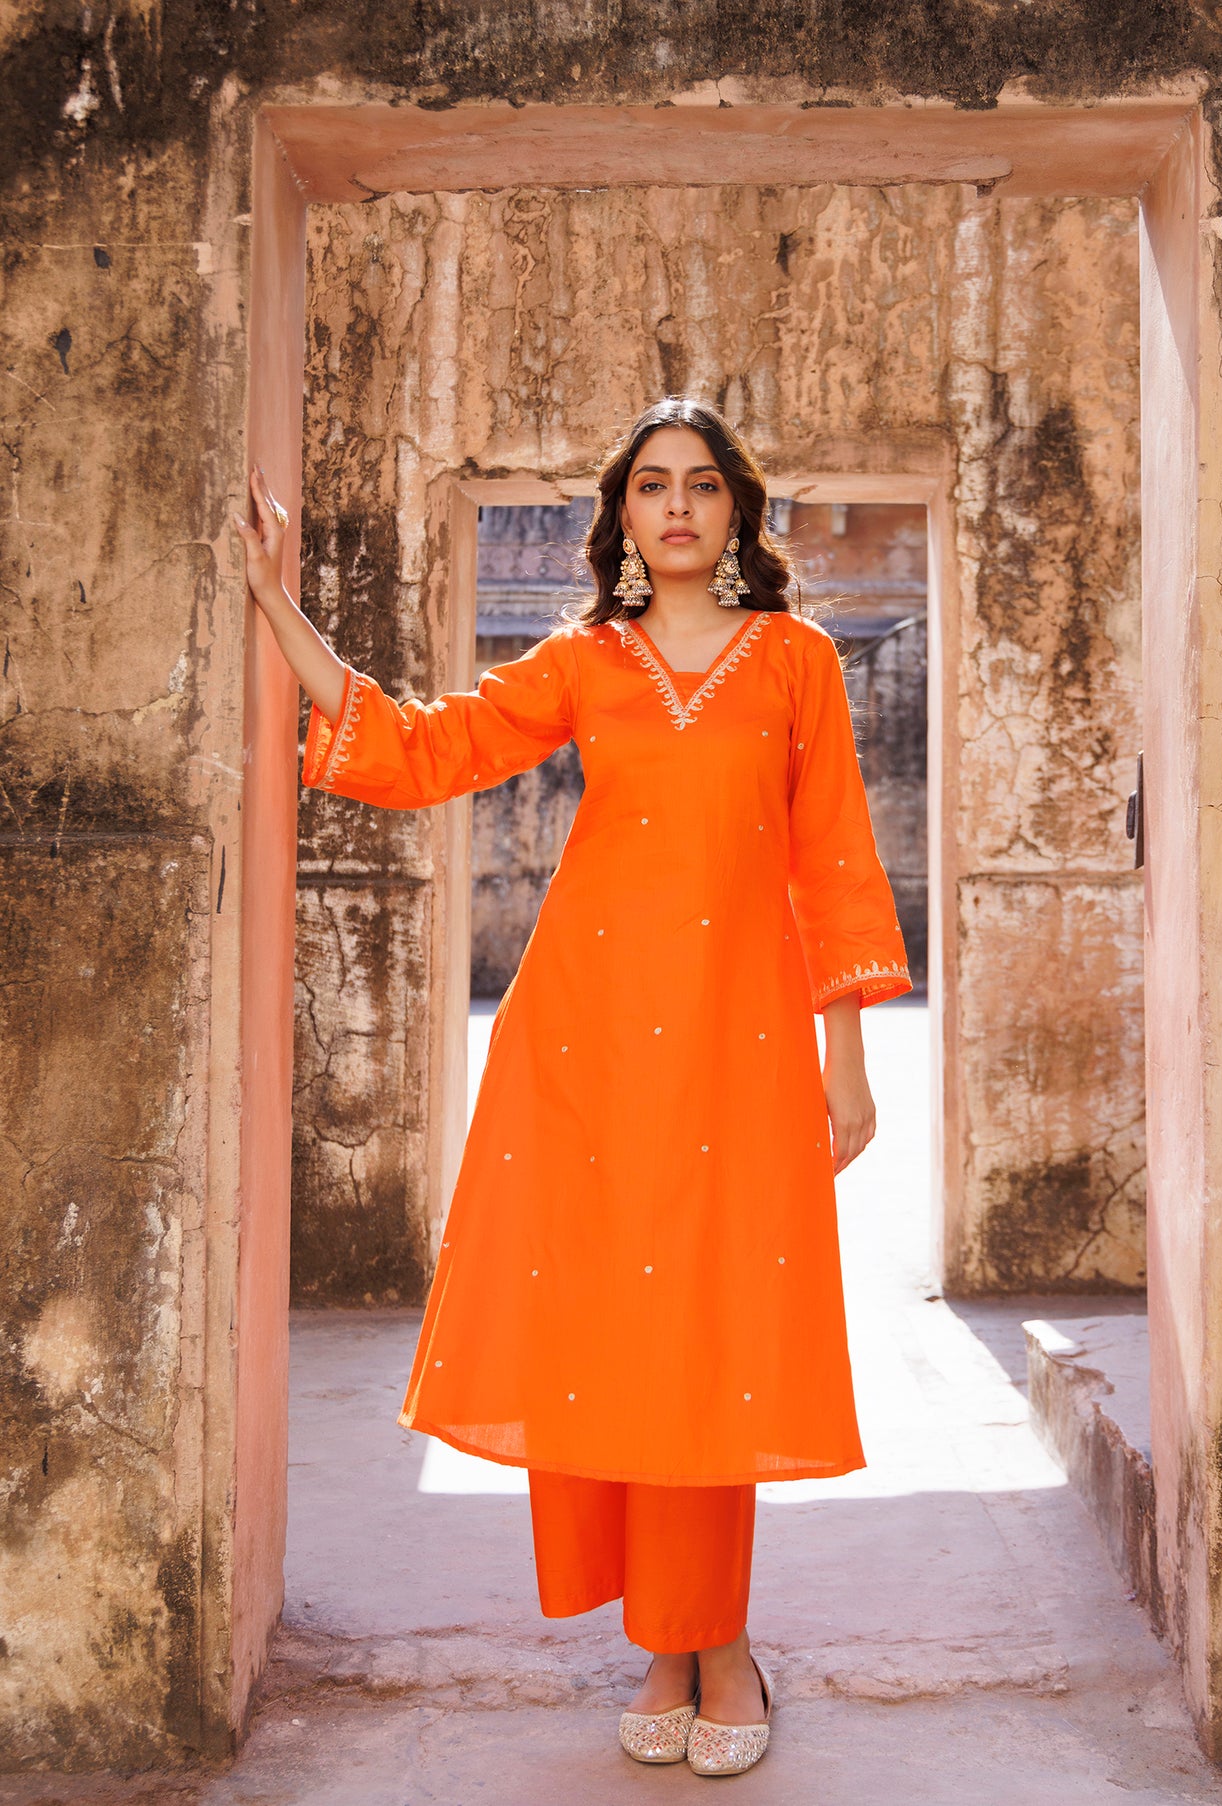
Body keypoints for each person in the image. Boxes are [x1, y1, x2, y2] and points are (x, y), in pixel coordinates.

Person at [233, 396, 911, 1777]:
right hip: (587, 1049)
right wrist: (275, 603)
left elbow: (830, 862)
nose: (676, 507)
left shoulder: (794, 662)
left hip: (740, 1043)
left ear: (736, 513)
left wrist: (848, 1057)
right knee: (616, 1334)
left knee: (713, 1336)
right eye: (652, 485)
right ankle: (663, 1640)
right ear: (621, 517)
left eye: (702, 485)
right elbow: (425, 750)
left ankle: (716, 1641)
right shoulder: (585, 663)